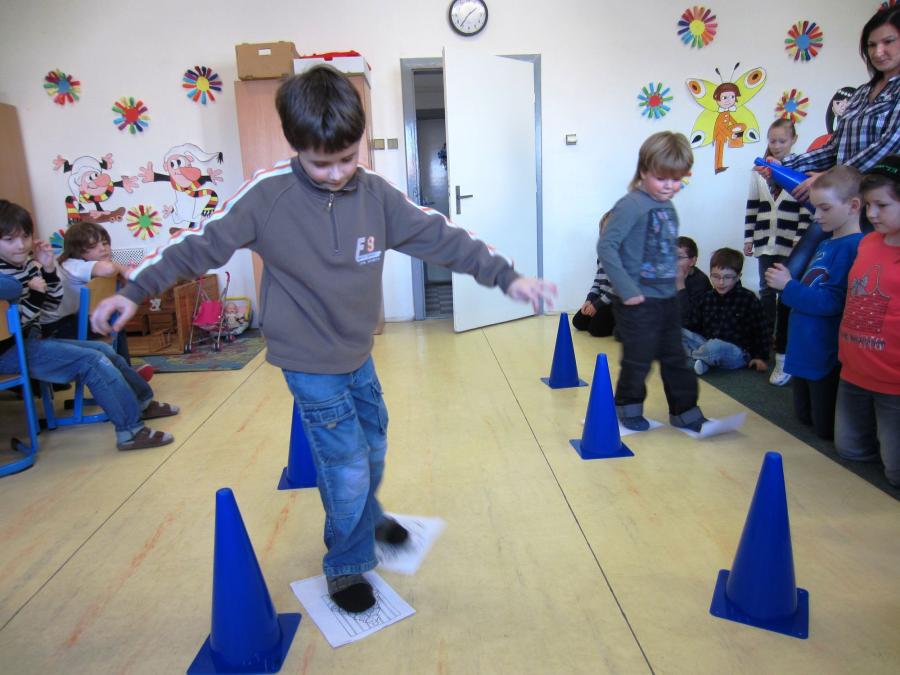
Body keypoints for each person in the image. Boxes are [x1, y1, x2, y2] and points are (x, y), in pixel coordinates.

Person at [90, 66, 556, 613]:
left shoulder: (376, 195)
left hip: (357, 351)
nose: (336, 174)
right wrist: (136, 290)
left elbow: (442, 237)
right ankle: (346, 563)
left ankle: (368, 519)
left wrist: (507, 277)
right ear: (296, 147)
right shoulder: (268, 196)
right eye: (320, 163)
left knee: (373, 447)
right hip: (308, 360)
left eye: (347, 159)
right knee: (346, 465)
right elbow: (199, 244)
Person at [0, 200, 177, 450]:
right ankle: (130, 432)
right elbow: (13, 324)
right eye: (9, 239)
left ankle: (142, 403)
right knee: (92, 361)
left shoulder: (26, 265)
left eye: (25, 237)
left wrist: (48, 270)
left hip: (30, 339)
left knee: (104, 350)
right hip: (9, 349)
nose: (20, 245)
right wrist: (34, 294)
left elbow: (49, 305)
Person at [597, 131, 706, 432]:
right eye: (662, 178)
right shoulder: (630, 205)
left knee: (676, 357)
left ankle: (685, 412)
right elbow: (607, 246)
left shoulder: (668, 206)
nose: (669, 186)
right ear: (644, 171)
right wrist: (626, 290)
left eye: (676, 179)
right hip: (637, 300)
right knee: (639, 358)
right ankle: (627, 407)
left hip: (666, 298)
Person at [764, 166, 865, 440]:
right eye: (815, 208)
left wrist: (788, 286)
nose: (816, 216)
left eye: (824, 208)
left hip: (824, 352)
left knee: (823, 429)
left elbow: (832, 302)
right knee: (804, 418)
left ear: (853, 206)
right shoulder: (826, 243)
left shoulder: (854, 246)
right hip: (806, 347)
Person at [778, 6, 900, 201]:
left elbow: (889, 145)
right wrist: (784, 165)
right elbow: (834, 148)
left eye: (888, 41)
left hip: (887, 202)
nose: (878, 52)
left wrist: (833, 177)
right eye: (871, 45)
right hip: (848, 201)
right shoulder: (861, 93)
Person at [833, 156, 900, 486]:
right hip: (854, 372)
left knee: (895, 474)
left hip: (893, 382)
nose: (871, 214)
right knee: (850, 452)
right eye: (869, 205)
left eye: (882, 205)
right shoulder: (868, 242)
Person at [40, 221, 153, 381]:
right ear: (77, 250)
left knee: (115, 320)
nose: (103, 248)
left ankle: (123, 371)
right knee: (114, 321)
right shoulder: (73, 265)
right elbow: (109, 269)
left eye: (105, 243)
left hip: (79, 321)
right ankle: (124, 372)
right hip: (58, 328)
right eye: (93, 246)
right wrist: (123, 269)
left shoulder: (92, 266)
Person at [745, 119, 813, 386]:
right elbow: (753, 206)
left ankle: (784, 353)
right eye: (772, 140)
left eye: (782, 141)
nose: (776, 145)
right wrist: (749, 238)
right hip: (765, 241)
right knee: (766, 292)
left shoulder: (800, 171)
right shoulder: (759, 171)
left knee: (786, 295)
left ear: (793, 140)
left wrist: (798, 241)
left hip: (790, 245)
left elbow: (806, 210)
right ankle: (765, 346)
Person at [683, 248, 769, 375]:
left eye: (727, 277)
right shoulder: (707, 297)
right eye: (716, 276)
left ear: (738, 277)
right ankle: (702, 361)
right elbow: (693, 324)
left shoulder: (748, 298)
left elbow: (761, 331)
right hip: (706, 343)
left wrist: (759, 356)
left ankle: (691, 360)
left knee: (716, 346)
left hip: (735, 352)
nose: (721, 282)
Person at [572, 211, 615, 337]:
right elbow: (597, 281)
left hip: (616, 302)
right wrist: (589, 300)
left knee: (596, 329)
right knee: (578, 322)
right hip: (602, 299)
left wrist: (597, 305)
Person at [807, 87, 858, 152]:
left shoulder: (857, 140)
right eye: (838, 103)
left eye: (848, 103)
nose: (842, 106)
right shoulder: (821, 141)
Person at [675, 235, 711, 326]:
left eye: (679, 258)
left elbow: (689, 321)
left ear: (692, 261)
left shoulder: (700, 281)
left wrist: (680, 285)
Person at [712, 82, 747, 174]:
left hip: (723, 135)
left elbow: (731, 120)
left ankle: (719, 166)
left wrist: (737, 125)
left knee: (721, 151)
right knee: (718, 151)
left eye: (732, 97)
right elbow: (721, 127)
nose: (729, 100)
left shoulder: (727, 112)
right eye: (724, 98)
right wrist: (731, 134)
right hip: (719, 135)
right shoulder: (721, 115)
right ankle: (717, 167)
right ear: (717, 99)